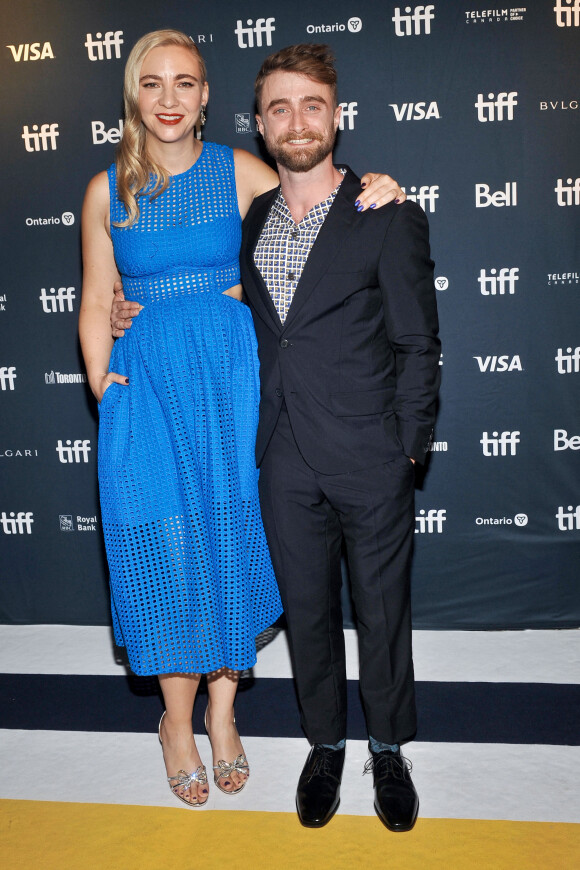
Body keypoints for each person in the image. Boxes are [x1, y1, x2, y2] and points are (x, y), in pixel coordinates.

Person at [80, 30, 405, 809]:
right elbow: (96, 298)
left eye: (184, 83)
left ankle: (224, 716)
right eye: (152, 84)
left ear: (204, 97)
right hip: (149, 395)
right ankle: (176, 722)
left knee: (228, 544)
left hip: (232, 389)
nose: (168, 99)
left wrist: (378, 188)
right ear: (134, 94)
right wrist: (105, 384)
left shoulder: (237, 172)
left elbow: (318, 194)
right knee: (163, 553)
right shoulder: (106, 191)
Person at [241, 45, 440, 831]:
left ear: (336, 115)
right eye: (280, 107)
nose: (298, 120)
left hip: (371, 454)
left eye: (312, 104)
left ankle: (387, 747)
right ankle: (324, 742)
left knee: (384, 611)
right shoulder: (253, 217)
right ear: (260, 125)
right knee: (308, 611)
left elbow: (418, 342)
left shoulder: (385, 212)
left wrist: (408, 450)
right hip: (283, 454)